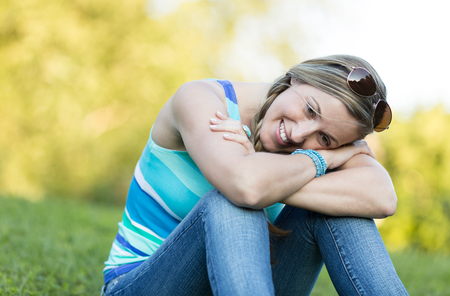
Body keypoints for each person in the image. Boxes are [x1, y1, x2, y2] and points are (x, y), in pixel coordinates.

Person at [100, 54, 408, 295]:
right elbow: (245, 187)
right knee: (232, 202)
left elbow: (382, 197)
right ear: (295, 78)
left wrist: (264, 175)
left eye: (325, 139)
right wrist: (320, 160)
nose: (300, 135)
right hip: (142, 285)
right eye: (310, 110)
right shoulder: (203, 100)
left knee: (341, 209)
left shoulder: (330, 141)